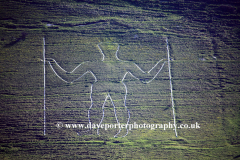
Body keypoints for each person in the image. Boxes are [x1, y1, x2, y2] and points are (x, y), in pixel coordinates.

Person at [45, 41, 166, 137]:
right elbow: (69, 77)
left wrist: (162, 63)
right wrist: (53, 63)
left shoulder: (122, 64)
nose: (107, 52)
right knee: (99, 107)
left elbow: (145, 77)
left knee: (118, 108)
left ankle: (122, 131)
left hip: (114, 86)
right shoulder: (96, 64)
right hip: (104, 86)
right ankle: (94, 130)